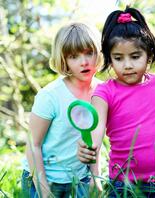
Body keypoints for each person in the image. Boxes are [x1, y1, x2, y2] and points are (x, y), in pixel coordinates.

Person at [77, 7, 155, 197]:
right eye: (118, 58)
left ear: (149, 55)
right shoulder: (104, 92)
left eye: (135, 57)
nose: (127, 65)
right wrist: (92, 166)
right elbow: (95, 133)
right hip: (124, 184)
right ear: (110, 60)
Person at [21, 22, 103, 198]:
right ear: (64, 60)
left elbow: (96, 142)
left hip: (79, 178)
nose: (84, 62)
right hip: (43, 178)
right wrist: (44, 190)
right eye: (74, 56)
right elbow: (33, 144)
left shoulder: (103, 93)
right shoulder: (50, 95)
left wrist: (95, 177)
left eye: (89, 52)